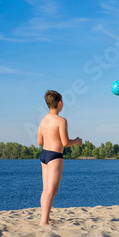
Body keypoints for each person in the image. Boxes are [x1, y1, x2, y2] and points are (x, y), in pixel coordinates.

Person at [37, 90, 82, 226]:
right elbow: (65, 142)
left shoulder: (43, 120)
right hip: (55, 156)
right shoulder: (61, 121)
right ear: (60, 103)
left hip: (44, 154)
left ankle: (46, 217)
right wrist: (77, 141)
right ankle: (44, 221)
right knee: (52, 190)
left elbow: (39, 141)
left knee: (46, 189)